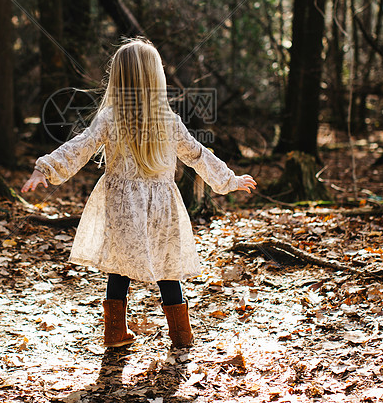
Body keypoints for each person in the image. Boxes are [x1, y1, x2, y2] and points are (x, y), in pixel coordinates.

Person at [22, 38, 256, 349]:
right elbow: (197, 155)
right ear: (156, 77)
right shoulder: (167, 121)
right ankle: (181, 335)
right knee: (167, 269)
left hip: (122, 205)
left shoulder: (112, 118)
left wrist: (46, 168)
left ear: (118, 78)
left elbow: (80, 146)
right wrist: (228, 179)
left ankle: (116, 332)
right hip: (161, 204)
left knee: (120, 268)